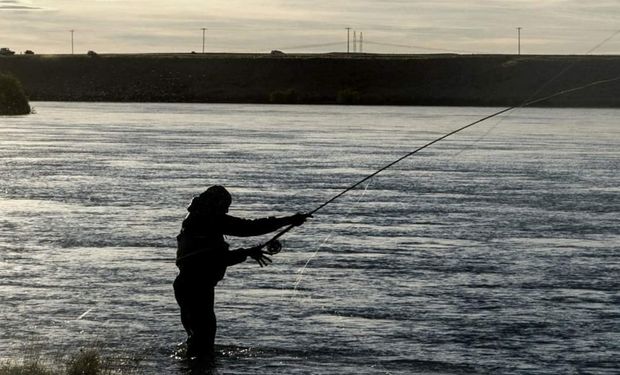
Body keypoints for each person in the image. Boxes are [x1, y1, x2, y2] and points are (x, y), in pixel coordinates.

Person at [173, 185, 309, 360]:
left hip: (190, 286)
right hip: (196, 287)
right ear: (216, 204)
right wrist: (289, 220)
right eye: (224, 207)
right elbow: (246, 229)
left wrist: (247, 252)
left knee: (199, 340)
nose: (226, 211)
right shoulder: (207, 220)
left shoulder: (197, 219)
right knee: (203, 341)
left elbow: (213, 256)